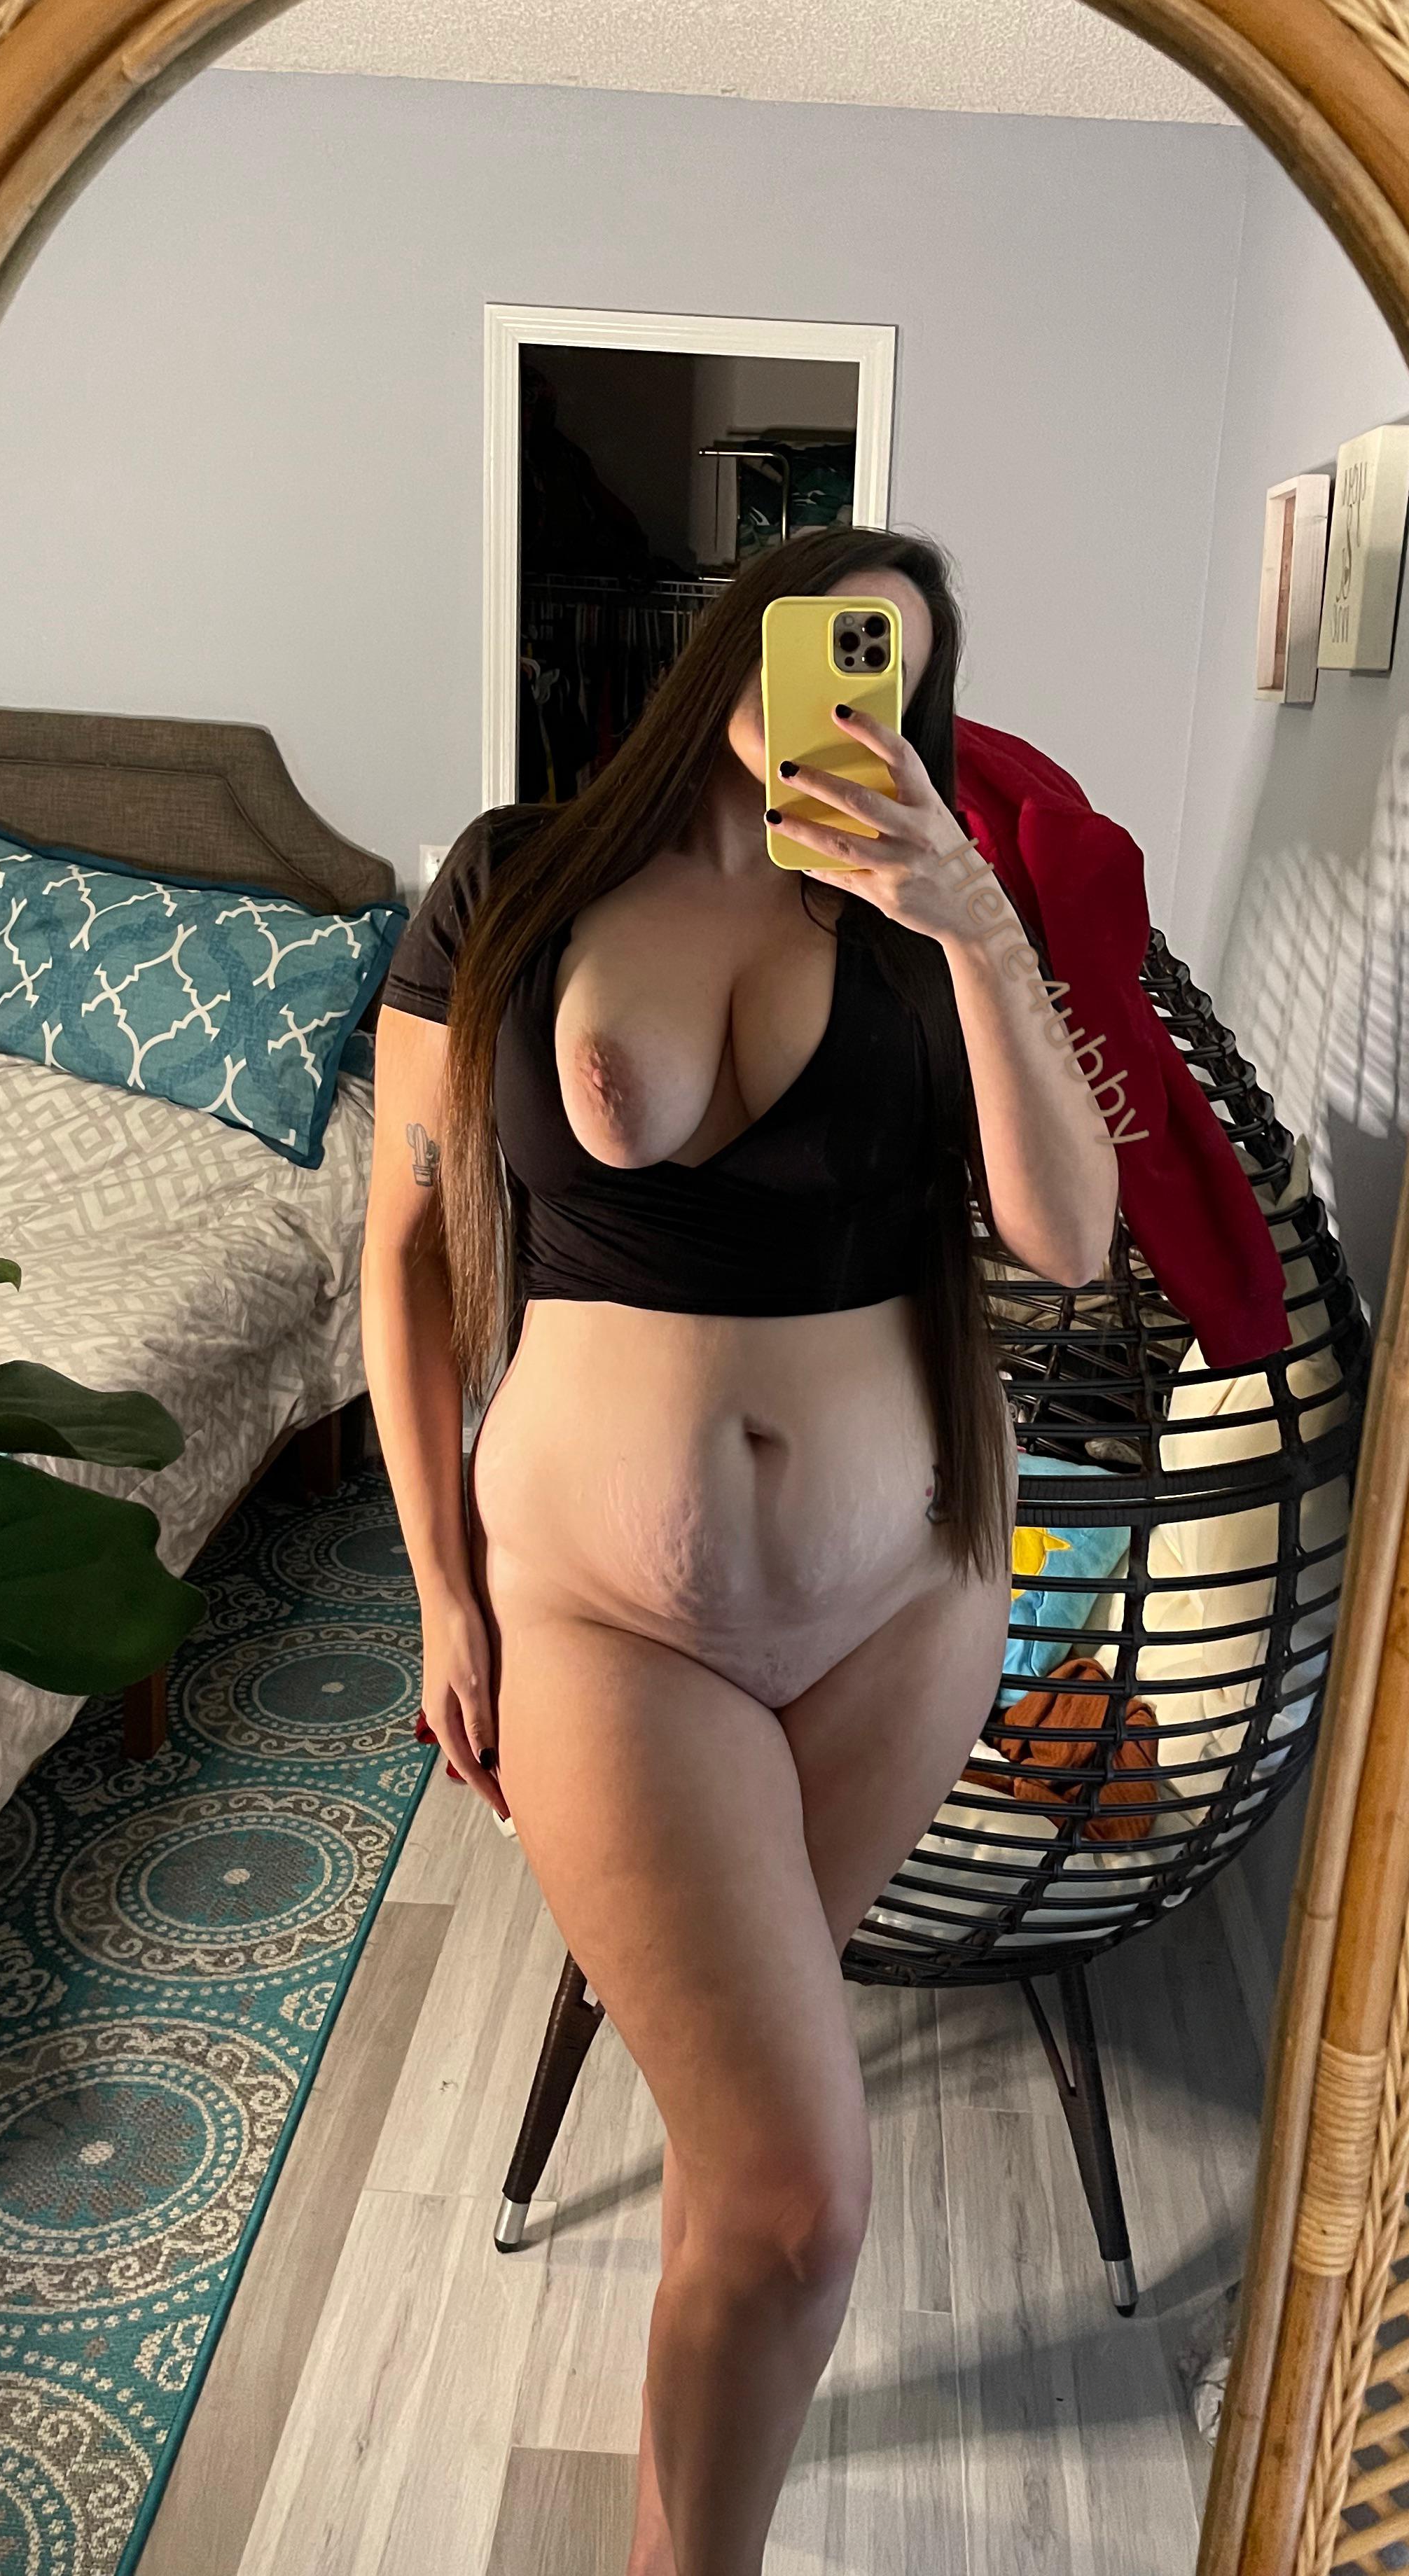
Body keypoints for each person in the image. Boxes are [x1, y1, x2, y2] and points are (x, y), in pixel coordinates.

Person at [361, 523, 1118, 2575]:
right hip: (602, 1616)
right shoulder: (514, 880)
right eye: (836, 640)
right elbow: (406, 1252)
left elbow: (1068, 1237)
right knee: (798, 2194)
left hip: (905, 1605)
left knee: (743, 2153)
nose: (864, 689)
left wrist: (975, 923)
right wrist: (439, 1590)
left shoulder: (925, 915)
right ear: (743, 647)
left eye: (905, 671)